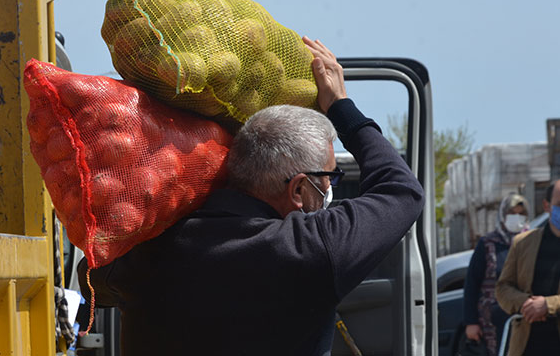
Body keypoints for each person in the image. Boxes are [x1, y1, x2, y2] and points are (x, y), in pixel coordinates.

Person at [78, 38, 425, 356]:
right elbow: (401, 190)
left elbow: (91, 279)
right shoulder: (312, 249)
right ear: (299, 189)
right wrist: (340, 106)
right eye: (329, 177)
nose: (331, 186)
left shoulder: (151, 249)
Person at [496, 179, 560, 356]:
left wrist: (548, 305)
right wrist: (526, 303)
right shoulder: (523, 243)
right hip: (527, 345)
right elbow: (503, 288)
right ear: (547, 206)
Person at [462, 193, 530, 355]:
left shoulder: (532, 241)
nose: (516, 218)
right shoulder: (488, 243)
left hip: (527, 316)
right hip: (492, 321)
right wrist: (471, 322)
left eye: (521, 214)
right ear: (502, 215)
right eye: (512, 213)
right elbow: (472, 284)